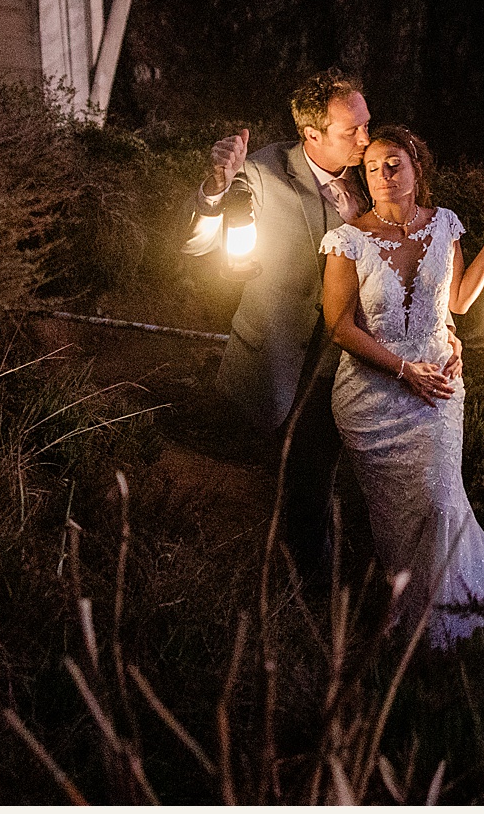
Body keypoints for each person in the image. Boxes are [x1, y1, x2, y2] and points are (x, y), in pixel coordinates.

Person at [183, 70, 457, 583]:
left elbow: (409, 260)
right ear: (311, 134)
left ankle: (357, 578)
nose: (364, 138)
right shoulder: (264, 170)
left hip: (354, 357)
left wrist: (444, 327)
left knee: (345, 476)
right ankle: (303, 588)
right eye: (350, 130)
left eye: (366, 124)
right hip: (280, 352)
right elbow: (197, 246)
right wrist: (215, 190)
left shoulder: (376, 171)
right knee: (298, 476)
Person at [320, 123, 484, 644]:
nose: (383, 177)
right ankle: (405, 608)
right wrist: (402, 369)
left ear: (417, 170)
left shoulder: (445, 226)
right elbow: (339, 326)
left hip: (438, 388)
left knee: (439, 499)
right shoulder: (348, 241)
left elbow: (455, 302)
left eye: (394, 166)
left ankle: (452, 612)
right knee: (394, 517)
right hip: (372, 397)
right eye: (372, 168)